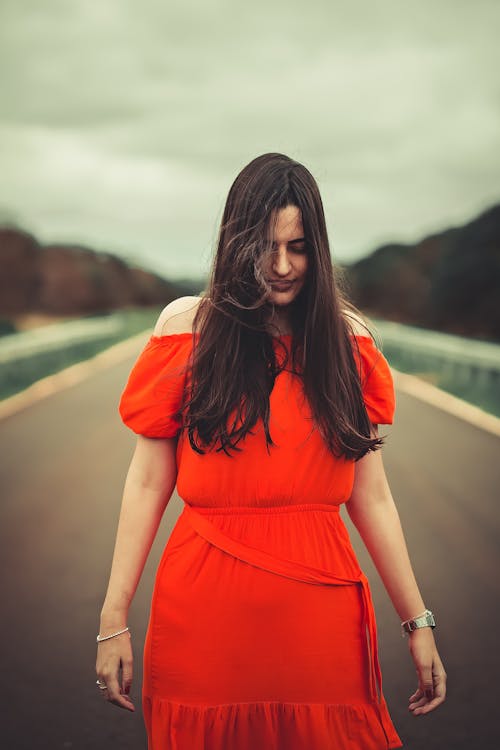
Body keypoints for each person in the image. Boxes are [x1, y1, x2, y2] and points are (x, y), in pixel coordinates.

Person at [96, 153, 447, 749]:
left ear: (321, 249)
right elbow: (148, 483)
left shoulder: (348, 342)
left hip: (321, 612)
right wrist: (112, 619)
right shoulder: (187, 329)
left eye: (300, 247)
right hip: (201, 612)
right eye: (264, 246)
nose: (281, 266)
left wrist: (417, 621)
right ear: (235, 243)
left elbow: (373, 495)